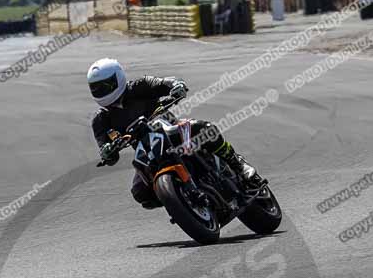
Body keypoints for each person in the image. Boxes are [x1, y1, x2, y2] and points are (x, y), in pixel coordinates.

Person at [88, 58, 263, 209]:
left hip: (170, 130)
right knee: (140, 193)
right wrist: (107, 151)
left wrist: (176, 86)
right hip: (147, 151)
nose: (102, 91)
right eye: (96, 88)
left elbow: (165, 82)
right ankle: (181, 198)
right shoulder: (100, 120)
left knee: (203, 128)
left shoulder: (140, 86)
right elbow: (106, 152)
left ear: (118, 78)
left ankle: (238, 164)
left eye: (106, 85)